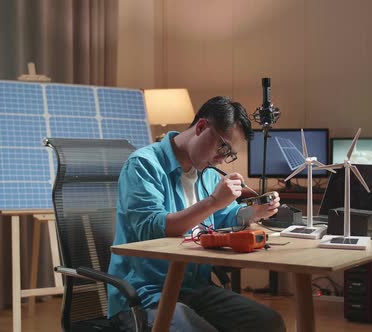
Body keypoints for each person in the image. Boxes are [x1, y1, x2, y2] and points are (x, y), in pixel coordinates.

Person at [107, 96, 286, 332]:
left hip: (196, 288)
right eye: (223, 147)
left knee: (268, 323)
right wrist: (213, 202)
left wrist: (252, 212)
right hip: (145, 294)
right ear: (201, 127)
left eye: (230, 153)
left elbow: (224, 217)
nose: (222, 158)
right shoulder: (144, 165)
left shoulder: (208, 173)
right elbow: (153, 228)